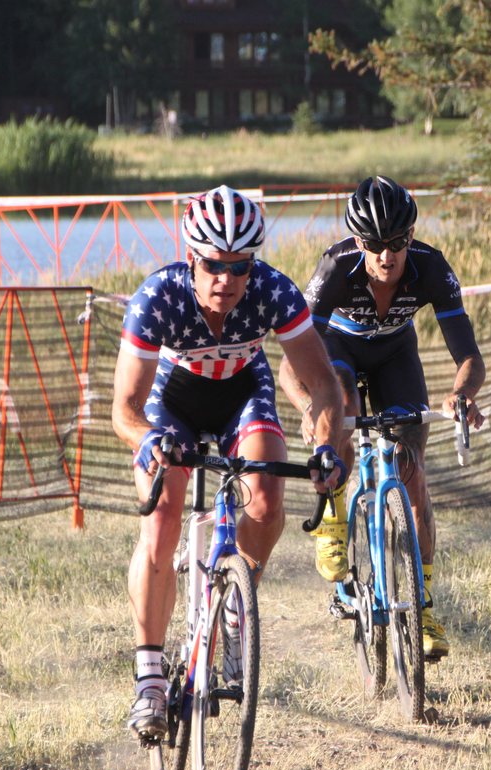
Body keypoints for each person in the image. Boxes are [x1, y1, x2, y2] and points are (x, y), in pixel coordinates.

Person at [112, 185, 346, 741]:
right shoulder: (158, 298)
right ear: (192, 257)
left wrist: (326, 448)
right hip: (172, 403)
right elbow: (123, 408)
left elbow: (326, 388)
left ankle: (237, 606)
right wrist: (148, 442)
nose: (227, 280)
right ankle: (149, 679)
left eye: (240, 267)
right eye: (214, 265)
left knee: (266, 500)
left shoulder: (273, 293)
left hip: (243, 391)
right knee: (162, 519)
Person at [280, 176, 485, 660]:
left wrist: (461, 395)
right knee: (343, 401)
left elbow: (469, 357)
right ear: (358, 242)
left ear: (410, 238)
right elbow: (290, 365)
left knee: (412, 473)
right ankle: (333, 513)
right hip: (338, 353)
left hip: (396, 357)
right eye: (373, 244)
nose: (386, 256)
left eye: (396, 244)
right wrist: (309, 408)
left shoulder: (431, 268)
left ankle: (425, 606)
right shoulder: (335, 269)